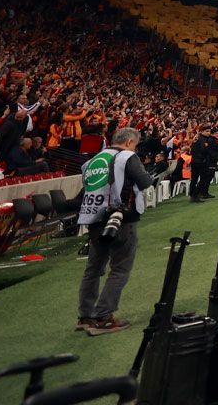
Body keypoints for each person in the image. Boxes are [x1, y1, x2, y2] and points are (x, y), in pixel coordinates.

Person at [76, 127, 154, 335]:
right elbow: (145, 182)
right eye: (135, 144)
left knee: (93, 269)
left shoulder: (92, 161)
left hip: (94, 220)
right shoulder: (127, 156)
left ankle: (85, 316)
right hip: (121, 219)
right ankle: (103, 317)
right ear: (129, 142)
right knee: (120, 269)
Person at [189, 125, 218, 203]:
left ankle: (193, 194)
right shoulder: (202, 139)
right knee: (203, 179)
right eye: (207, 131)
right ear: (201, 131)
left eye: (209, 131)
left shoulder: (199, 138)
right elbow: (204, 150)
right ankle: (195, 195)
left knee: (195, 179)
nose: (209, 133)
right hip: (200, 161)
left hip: (196, 161)